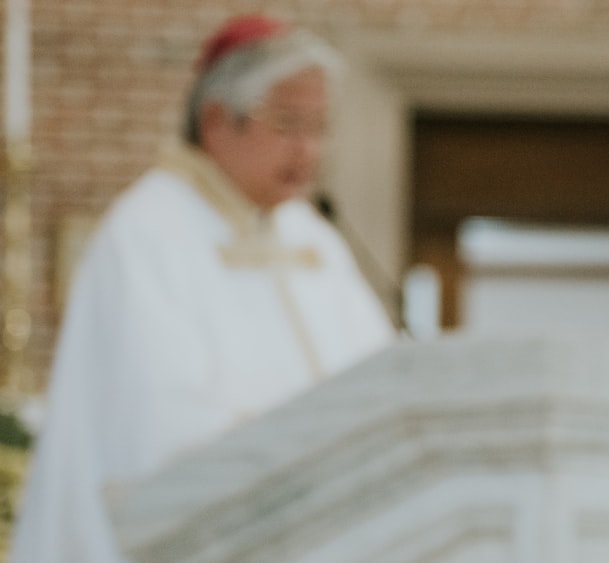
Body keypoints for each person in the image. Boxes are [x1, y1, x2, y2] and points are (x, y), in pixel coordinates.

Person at [9, 14, 396, 562]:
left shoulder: (313, 239)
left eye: (319, 127)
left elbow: (383, 384)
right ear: (217, 122)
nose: (309, 151)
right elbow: (155, 429)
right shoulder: (146, 235)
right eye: (287, 124)